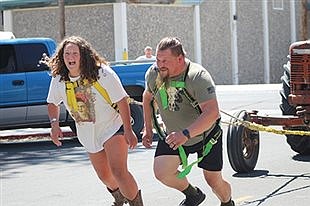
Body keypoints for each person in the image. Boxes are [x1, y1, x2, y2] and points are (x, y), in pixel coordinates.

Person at [46, 36, 143, 206]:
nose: (70, 57)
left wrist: (128, 129)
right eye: (67, 53)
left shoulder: (102, 73)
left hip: (112, 127)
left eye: (75, 53)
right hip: (88, 134)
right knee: (105, 176)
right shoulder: (59, 80)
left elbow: (121, 100)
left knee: (119, 172)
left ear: (83, 55)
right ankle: (119, 199)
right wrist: (54, 124)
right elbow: (52, 103)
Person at [142, 37, 234, 206]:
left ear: (180, 59)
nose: (160, 64)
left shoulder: (197, 76)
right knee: (162, 172)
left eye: (165, 61)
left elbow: (212, 112)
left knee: (214, 181)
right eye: (157, 59)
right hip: (174, 136)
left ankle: (227, 202)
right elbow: (147, 97)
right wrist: (147, 129)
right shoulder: (154, 74)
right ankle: (193, 195)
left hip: (205, 136)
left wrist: (186, 134)